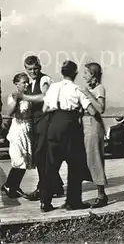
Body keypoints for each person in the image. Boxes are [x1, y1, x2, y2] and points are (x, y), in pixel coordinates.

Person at [40, 60, 97, 212]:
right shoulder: (77, 88)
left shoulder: (53, 87)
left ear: (62, 72)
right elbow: (92, 111)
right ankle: (73, 201)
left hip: (54, 124)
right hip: (70, 125)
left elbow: (45, 108)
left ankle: (45, 202)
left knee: (51, 165)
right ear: (75, 73)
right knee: (75, 165)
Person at [19, 55, 64, 201]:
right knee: (42, 156)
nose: (33, 71)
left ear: (40, 67)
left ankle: (42, 188)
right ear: (26, 69)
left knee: (40, 155)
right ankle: (55, 186)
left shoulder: (44, 80)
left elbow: (45, 96)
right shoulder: (30, 83)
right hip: (36, 122)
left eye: (35, 68)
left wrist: (25, 98)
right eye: (30, 69)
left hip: (47, 121)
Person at [79, 62, 108, 208]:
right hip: (84, 126)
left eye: (86, 73)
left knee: (95, 159)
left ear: (93, 74)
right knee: (87, 160)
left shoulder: (99, 88)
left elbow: (100, 109)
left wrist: (88, 95)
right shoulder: (89, 88)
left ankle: (102, 195)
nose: (83, 75)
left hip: (94, 126)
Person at [1, 73, 34, 199]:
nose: (26, 84)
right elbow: (9, 112)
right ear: (17, 84)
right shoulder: (13, 96)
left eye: (27, 82)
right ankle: (11, 186)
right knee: (19, 160)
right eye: (23, 82)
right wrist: (17, 99)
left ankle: (11, 185)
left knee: (25, 160)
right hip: (18, 130)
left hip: (28, 130)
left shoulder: (30, 96)